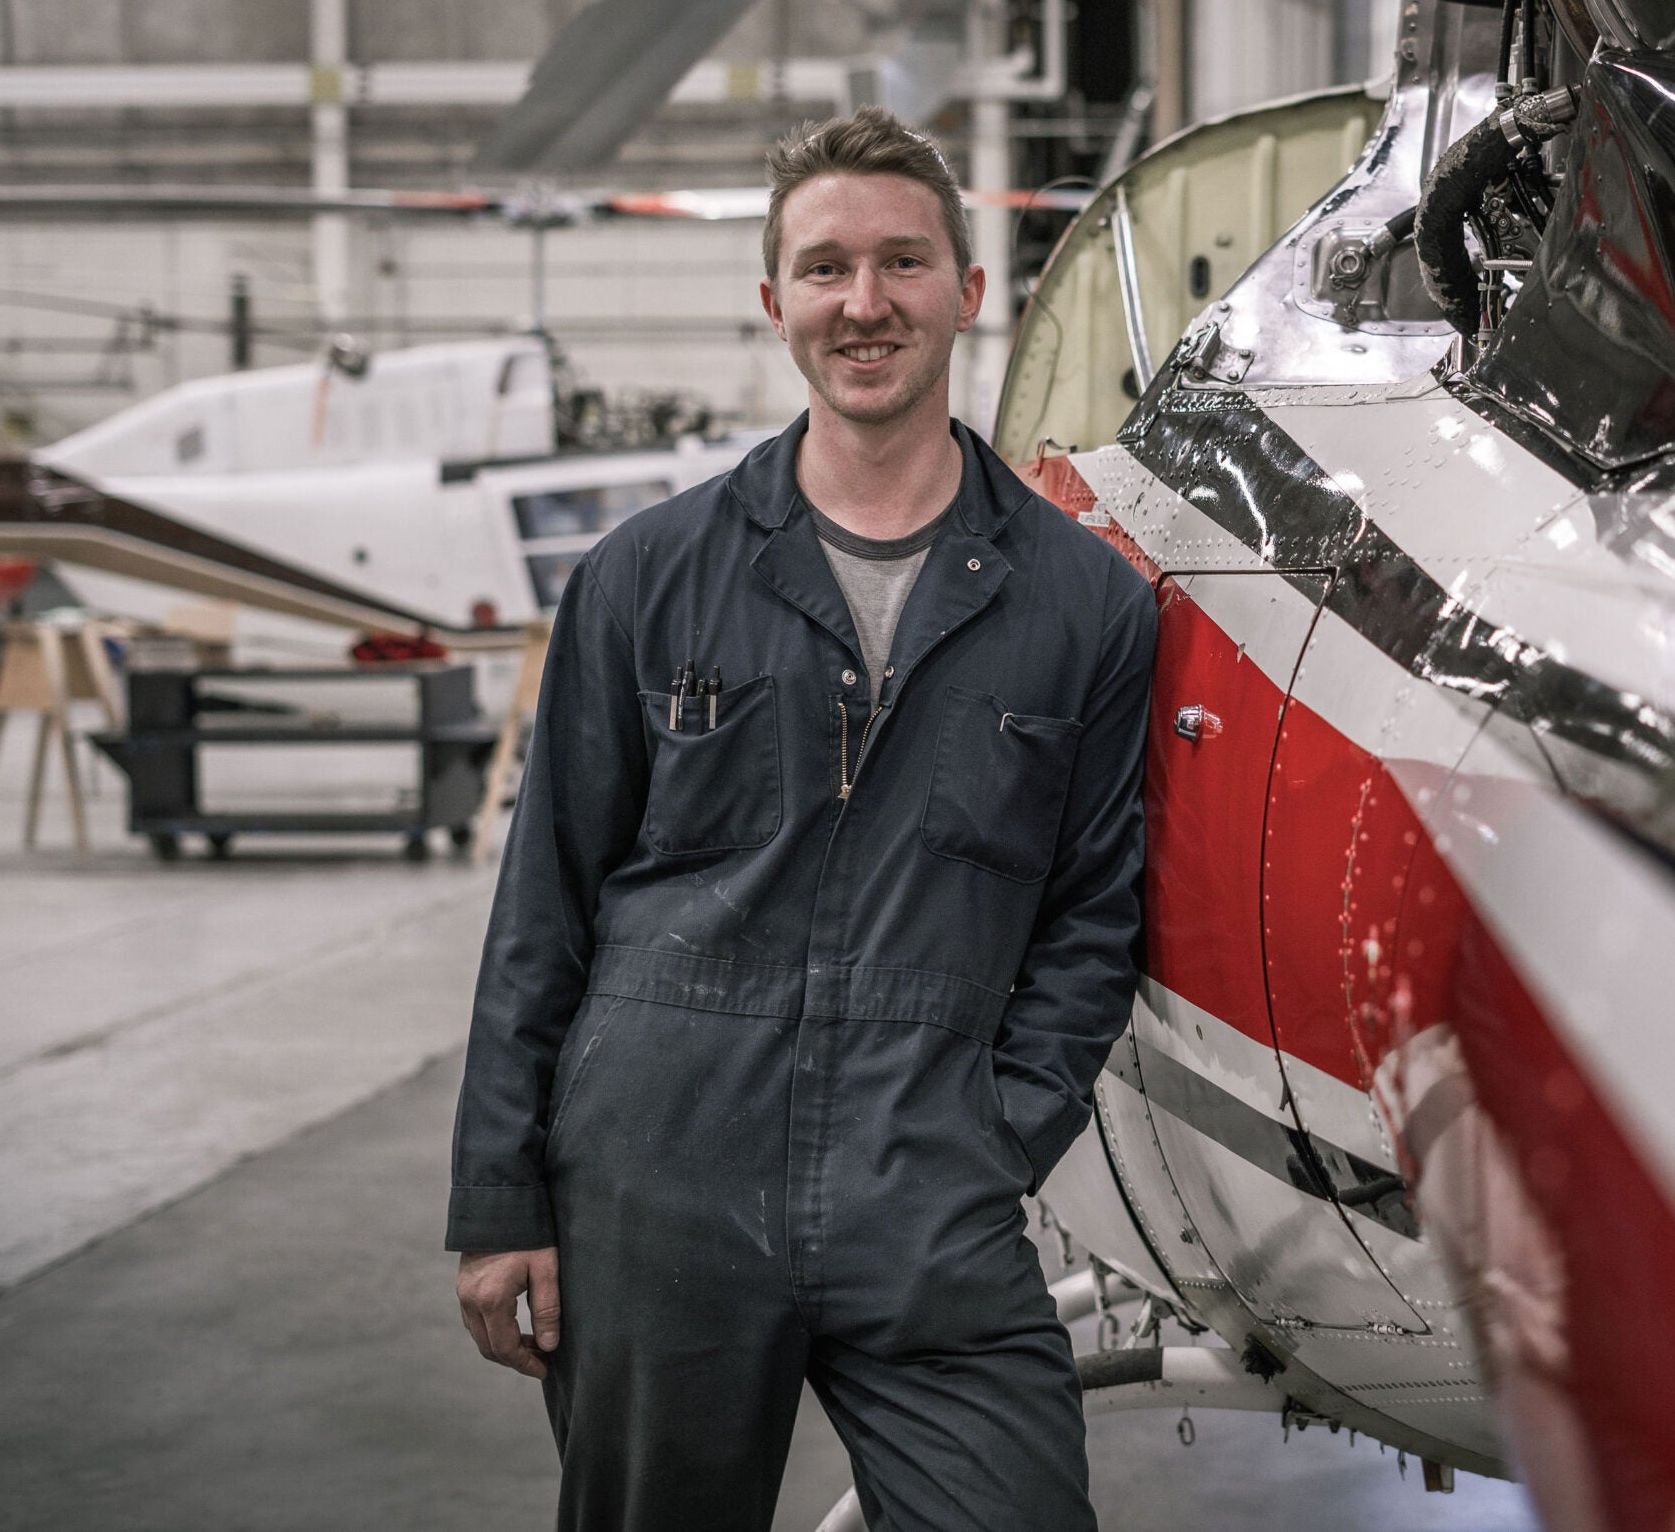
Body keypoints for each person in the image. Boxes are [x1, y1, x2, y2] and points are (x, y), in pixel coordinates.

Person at [446, 107, 1157, 1531]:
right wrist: (499, 1200)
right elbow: (546, 904)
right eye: (826, 269)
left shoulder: (1086, 603)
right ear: (775, 304)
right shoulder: (643, 578)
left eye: (903, 263)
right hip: (661, 1174)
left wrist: (999, 1132)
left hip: (926, 1179)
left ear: (967, 289)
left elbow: (1093, 915)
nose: (866, 303)